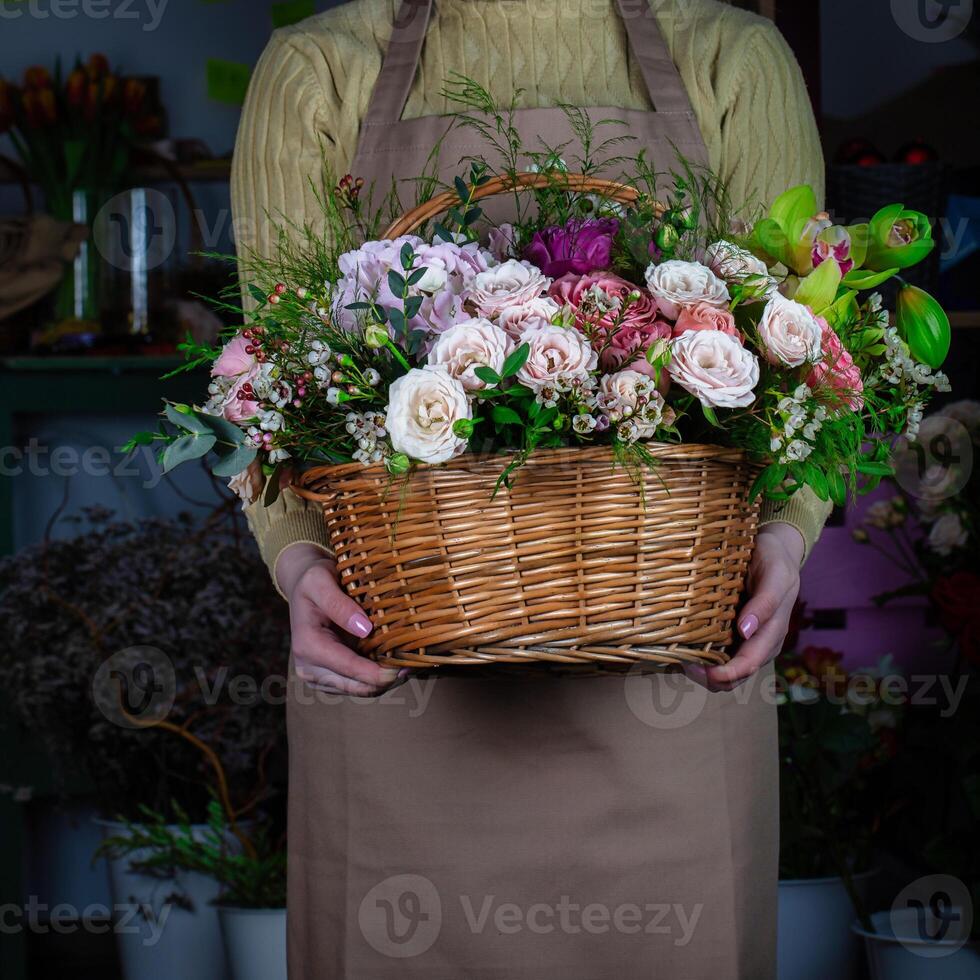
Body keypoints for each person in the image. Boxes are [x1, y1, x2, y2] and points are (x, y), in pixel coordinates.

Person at [231, 1, 833, 976]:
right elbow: (274, 382)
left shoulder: (732, 58)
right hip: (401, 671)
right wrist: (297, 563)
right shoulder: (318, 71)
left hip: (668, 668)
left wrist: (784, 534)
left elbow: (800, 346)